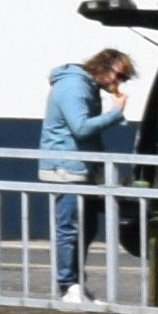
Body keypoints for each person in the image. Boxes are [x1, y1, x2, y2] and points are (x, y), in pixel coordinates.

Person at [41, 45, 138, 297]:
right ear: (104, 67)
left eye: (124, 78)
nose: (120, 82)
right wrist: (115, 113)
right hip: (66, 168)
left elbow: (89, 138)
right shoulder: (74, 86)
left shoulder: (88, 87)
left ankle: (76, 284)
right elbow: (81, 128)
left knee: (86, 226)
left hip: (81, 167)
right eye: (119, 75)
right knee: (70, 226)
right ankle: (67, 285)